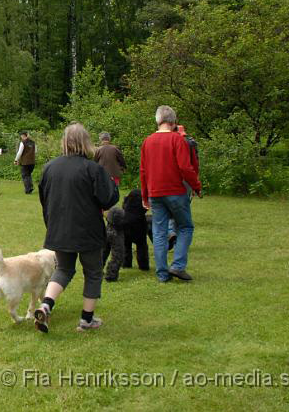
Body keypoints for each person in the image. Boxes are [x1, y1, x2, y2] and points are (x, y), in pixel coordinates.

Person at [33, 123, 119, 333]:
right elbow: (108, 200)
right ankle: (86, 320)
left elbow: (45, 200)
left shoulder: (49, 168)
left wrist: (51, 226)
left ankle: (46, 305)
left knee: (63, 269)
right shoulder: (93, 169)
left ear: (64, 141)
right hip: (88, 232)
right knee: (93, 272)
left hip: (60, 230)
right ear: (86, 142)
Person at [140, 106, 202, 283]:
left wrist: (145, 196)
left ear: (157, 121)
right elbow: (185, 167)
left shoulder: (148, 141)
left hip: (155, 193)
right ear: (173, 122)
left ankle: (162, 274)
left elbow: (143, 171)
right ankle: (178, 265)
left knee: (159, 232)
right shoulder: (177, 140)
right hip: (175, 191)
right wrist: (196, 186)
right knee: (185, 227)